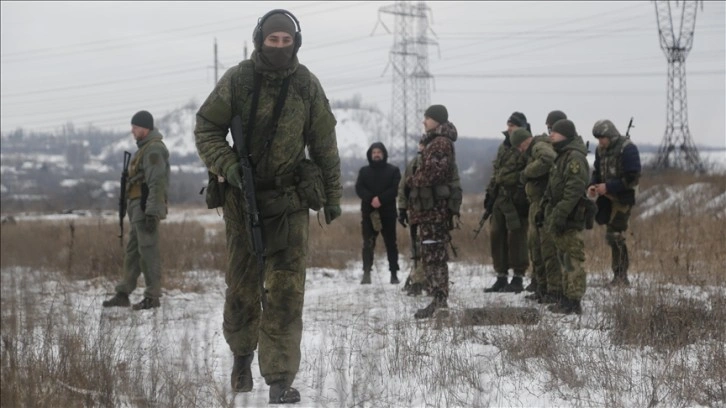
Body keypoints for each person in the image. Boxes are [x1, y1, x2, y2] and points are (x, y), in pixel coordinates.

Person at [193, 9, 342, 404]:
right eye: (272, 40)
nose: (279, 47)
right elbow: (206, 128)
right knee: (242, 286)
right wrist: (227, 166)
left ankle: (279, 378)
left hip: (290, 201)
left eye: (286, 40)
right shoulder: (239, 80)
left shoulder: (306, 85)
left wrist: (332, 195)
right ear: (260, 39)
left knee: (287, 289)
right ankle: (242, 356)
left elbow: (324, 144)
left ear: (295, 42)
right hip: (243, 201)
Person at [103, 110, 170, 311]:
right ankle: (123, 293)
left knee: (148, 251)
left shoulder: (153, 149)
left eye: (135, 127)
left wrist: (152, 211)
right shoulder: (144, 149)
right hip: (137, 206)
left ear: (145, 128)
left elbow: (156, 182)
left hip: (144, 206)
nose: (132, 131)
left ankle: (152, 296)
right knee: (133, 252)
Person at [406, 104, 461, 319]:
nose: (424, 122)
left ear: (438, 120)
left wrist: (412, 180)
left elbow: (434, 174)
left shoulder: (439, 143)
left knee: (435, 255)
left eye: (428, 118)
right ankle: (437, 298)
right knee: (430, 255)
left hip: (434, 211)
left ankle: (440, 300)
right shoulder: (435, 141)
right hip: (429, 211)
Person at [540, 119, 590, 314]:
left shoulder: (574, 158)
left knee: (573, 258)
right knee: (563, 257)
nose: (551, 134)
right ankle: (566, 297)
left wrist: (560, 213)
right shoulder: (562, 156)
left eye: (556, 132)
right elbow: (554, 187)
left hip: (570, 217)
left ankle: (574, 300)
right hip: (560, 215)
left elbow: (574, 189)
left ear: (566, 134)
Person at [516, 111, 565, 304]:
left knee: (547, 248)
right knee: (535, 247)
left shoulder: (539, 147)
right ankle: (543, 287)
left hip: (545, 204)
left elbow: (548, 159)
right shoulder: (535, 147)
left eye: (520, 146)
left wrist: (527, 172)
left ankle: (554, 290)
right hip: (537, 204)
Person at [588, 119, 641, 287]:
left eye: (602, 138)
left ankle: (620, 276)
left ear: (610, 135)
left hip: (623, 198)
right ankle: (618, 276)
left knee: (615, 235)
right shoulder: (600, 150)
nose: (600, 142)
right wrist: (592, 185)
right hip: (606, 197)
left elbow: (632, 177)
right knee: (611, 233)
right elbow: (597, 171)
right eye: (598, 138)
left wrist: (609, 186)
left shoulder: (628, 149)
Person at [483, 112, 530, 293]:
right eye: (509, 124)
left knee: (517, 237)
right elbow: (497, 172)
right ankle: (501, 276)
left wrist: (522, 192)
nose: (510, 128)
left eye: (514, 125)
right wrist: (489, 194)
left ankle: (518, 277)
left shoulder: (527, 145)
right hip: (500, 198)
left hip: (517, 198)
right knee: (496, 235)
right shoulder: (504, 145)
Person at [355, 142, 401, 284]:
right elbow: (359, 188)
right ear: (370, 154)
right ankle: (366, 273)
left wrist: (380, 199)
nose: (376, 154)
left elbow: (395, 189)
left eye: (379, 152)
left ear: (384, 154)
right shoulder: (364, 171)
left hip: (388, 213)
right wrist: (371, 199)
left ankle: (394, 274)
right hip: (369, 213)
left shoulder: (393, 170)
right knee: (368, 244)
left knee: (391, 244)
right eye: (374, 152)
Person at [398, 143, 425, 296]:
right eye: (420, 144)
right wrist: (402, 209)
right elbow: (403, 188)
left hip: (432, 212)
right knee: (415, 247)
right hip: (415, 212)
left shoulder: (437, 161)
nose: (421, 147)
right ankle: (416, 279)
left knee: (426, 248)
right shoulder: (413, 164)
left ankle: (420, 280)